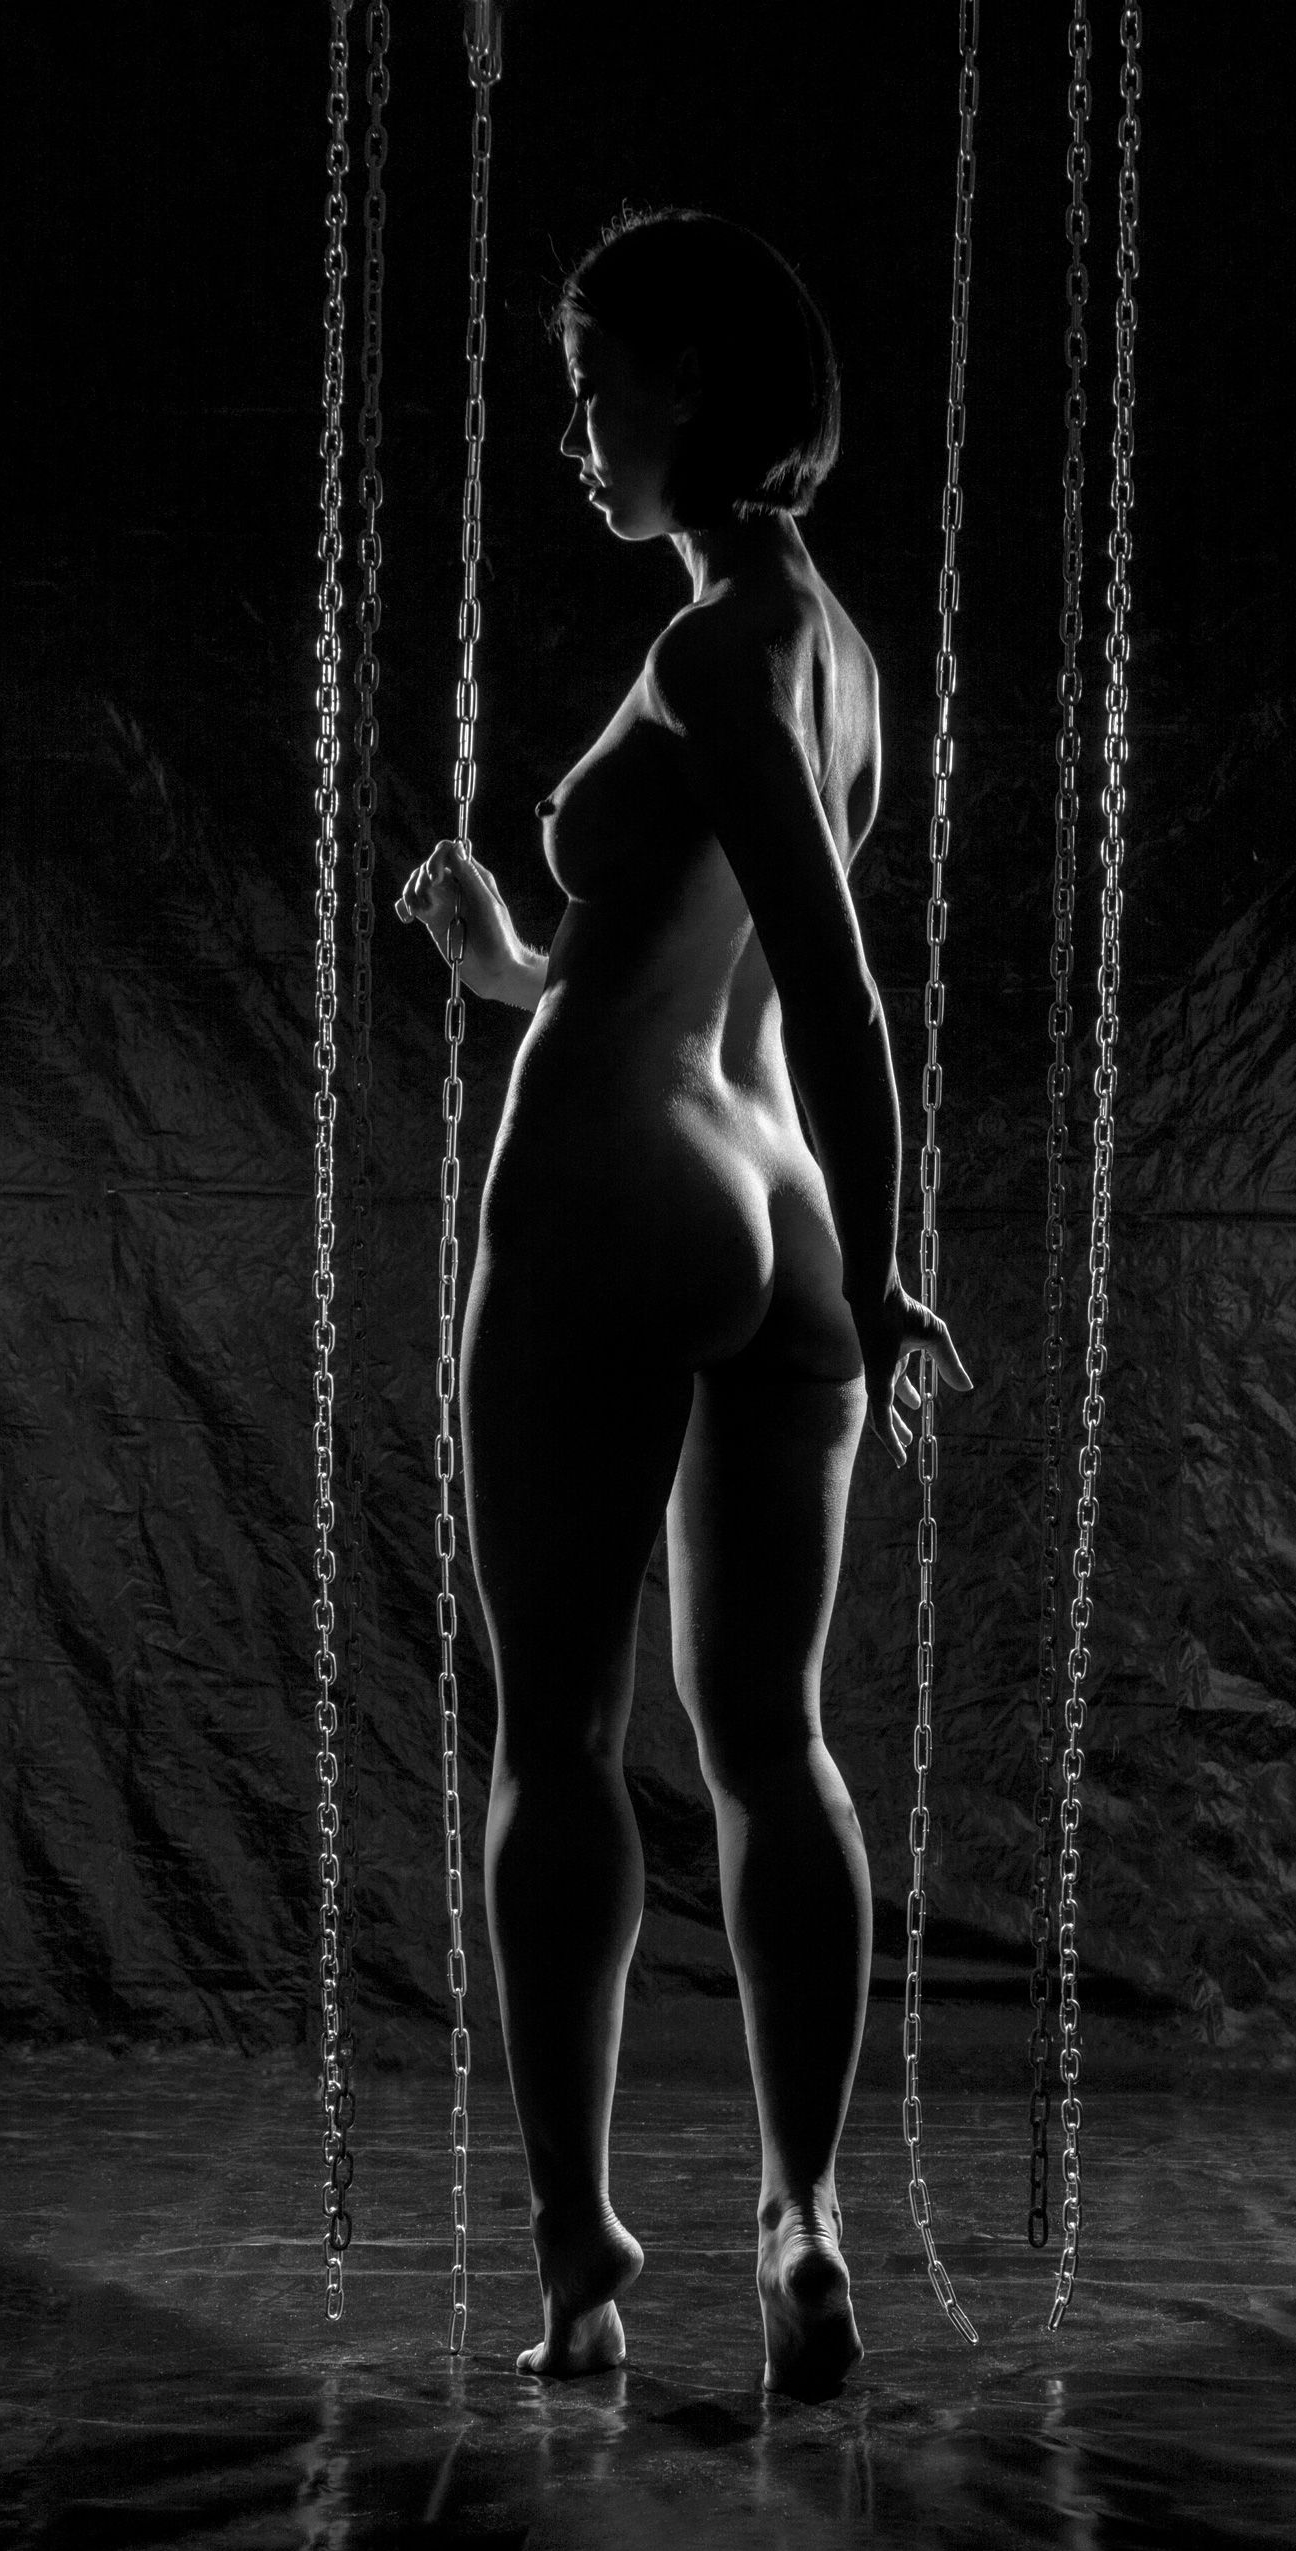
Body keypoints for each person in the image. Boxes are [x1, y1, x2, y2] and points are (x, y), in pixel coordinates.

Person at [394, 208, 971, 2399]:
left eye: (596, 387)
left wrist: (906, 1260)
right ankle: (801, 2216)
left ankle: (579, 2262)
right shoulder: (839, 656)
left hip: (621, 1193)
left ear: (691, 388)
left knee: (557, 1737)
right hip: (774, 1209)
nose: (575, 432)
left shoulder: (724, 648)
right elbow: (694, 953)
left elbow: (837, 982)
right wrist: (505, 967)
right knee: (769, 1739)